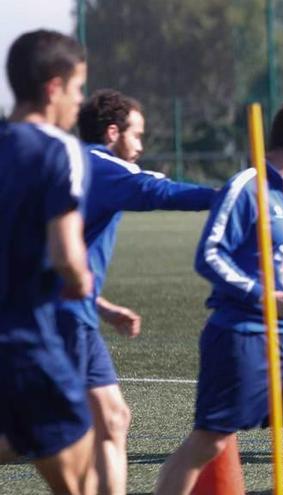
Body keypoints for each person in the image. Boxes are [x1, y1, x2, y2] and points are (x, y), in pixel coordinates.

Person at [154, 101, 283, 495]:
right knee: (209, 443)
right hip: (240, 336)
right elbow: (210, 254)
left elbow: (278, 270)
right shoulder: (245, 188)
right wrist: (266, 297)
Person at [54, 88, 216, 495]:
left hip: (75, 311)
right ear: (113, 132)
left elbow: (54, 254)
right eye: (137, 134)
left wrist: (103, 306)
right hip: (59, 317)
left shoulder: (74, 163)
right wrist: (228, 196)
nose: (141, 145)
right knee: (39, 435)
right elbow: (157, 191)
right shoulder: (104, 167)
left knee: (113, 420)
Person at [0, 29, 95, 494]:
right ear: (54, 87)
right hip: (26, 340)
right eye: (78, 89)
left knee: (16, 440)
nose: (80, 103)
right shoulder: (59, 150)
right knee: (80, 473)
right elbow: (66, 254)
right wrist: (79, 279)